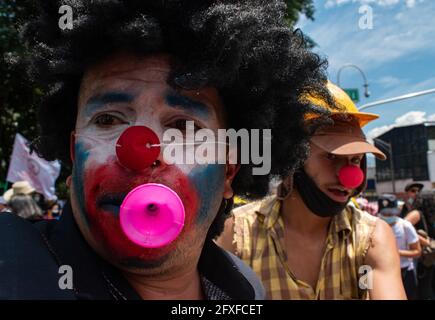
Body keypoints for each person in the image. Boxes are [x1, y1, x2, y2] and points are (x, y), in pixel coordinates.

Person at [0, 1, 332, 299]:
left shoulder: (243, 287)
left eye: (183, 127)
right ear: (75, 152)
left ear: (229, 169)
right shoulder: (13, 264)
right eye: (107, 119)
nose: (138, 151)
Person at [217, 82, 406, 299]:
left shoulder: (372, 237)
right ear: (292, 158)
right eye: (331, 156)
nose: (348, 176)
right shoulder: (237, 233)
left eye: (355, 160)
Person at [377, 194, 421, 300]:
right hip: (384, 273)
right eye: (385, 213)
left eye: (391, 212)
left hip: (405, 272)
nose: (388, 215)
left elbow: (417, 251)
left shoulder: (405, 226)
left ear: (396, 211)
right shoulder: (375, 226)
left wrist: (397, 252)